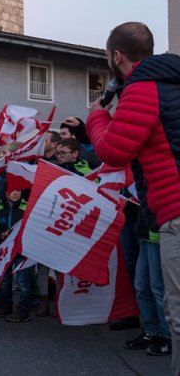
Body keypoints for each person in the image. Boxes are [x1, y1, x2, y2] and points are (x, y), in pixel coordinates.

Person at [86, 21, 180, 370]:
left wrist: (97, 118)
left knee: (177, 310)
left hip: (175, 209)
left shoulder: (143, 88)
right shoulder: (171, 83)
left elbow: (114, 150)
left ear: (117, 56)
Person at [125, 201, 171, 356]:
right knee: (142, 286)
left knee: (158, 288)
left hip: (156, 232)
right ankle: (150, 331)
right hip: (144, 231)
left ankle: (167, 336)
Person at [0, 186, 33, 322]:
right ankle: (6, 306)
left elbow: (31, 227)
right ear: (5, 192)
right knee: (5, 279)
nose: (15, 193)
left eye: (18, 190)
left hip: (22, 249)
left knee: (23, 281)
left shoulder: (27, 208)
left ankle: (23, 310)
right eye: (12, 190)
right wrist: (1, 235)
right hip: (5, 250)